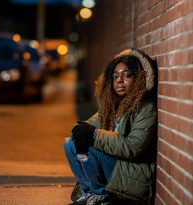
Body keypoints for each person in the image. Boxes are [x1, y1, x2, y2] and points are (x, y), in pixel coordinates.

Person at [64, 48, 158, 205]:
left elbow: (132, 147)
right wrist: (80, 130)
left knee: (90, 145)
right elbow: (90, 124)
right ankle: (90, 194)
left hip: (133, 174)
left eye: (126, 75)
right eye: (115, 76)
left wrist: (94, 135)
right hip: (115, 166)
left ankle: (101, 197)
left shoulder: (145, 108)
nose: (119, 80)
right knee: (70, 143)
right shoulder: (113, 105)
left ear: (139, 78)